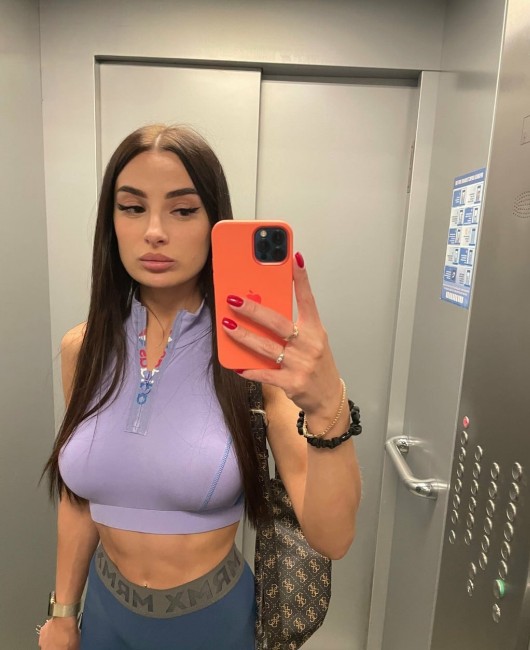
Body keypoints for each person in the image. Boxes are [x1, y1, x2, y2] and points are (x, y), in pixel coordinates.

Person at [40, 124, 362, 649]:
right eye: (132, 207)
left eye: (183, 210)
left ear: (215, 223)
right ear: (111, 222)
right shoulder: (85, 348)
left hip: (212, 624)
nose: (154, 231)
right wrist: (63, 612)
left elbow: (333, 537)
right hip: (103, 615)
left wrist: (329, 406)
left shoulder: (256, 362)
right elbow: (80, 498)